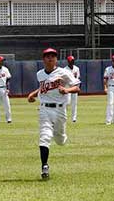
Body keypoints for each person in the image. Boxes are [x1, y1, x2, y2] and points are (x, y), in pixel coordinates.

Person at [27, 48, 80, 180]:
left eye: (53, 56)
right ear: (43, 59)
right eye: (47, 56)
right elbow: (43, 87)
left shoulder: (63, 72)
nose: (50, 58)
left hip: (60, 110)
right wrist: (33, 94)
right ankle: (44, 166)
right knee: (44, 137)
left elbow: (77, 87)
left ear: (56, 59)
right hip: (44, 109)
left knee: (60, 140)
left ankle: (62, 137)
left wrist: (67, 90)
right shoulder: (40, 74)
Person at [64, 55, 81, 123]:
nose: (72, 62)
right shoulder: (65, 69)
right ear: (68, 61)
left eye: (73, 61)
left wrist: (78, 86)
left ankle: (74, 118)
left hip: (74, 87)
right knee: (67, 102)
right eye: (71, 61)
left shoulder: (76, 68)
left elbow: (78, 78)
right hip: (67, 87)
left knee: (74, 103)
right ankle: (64, 116)